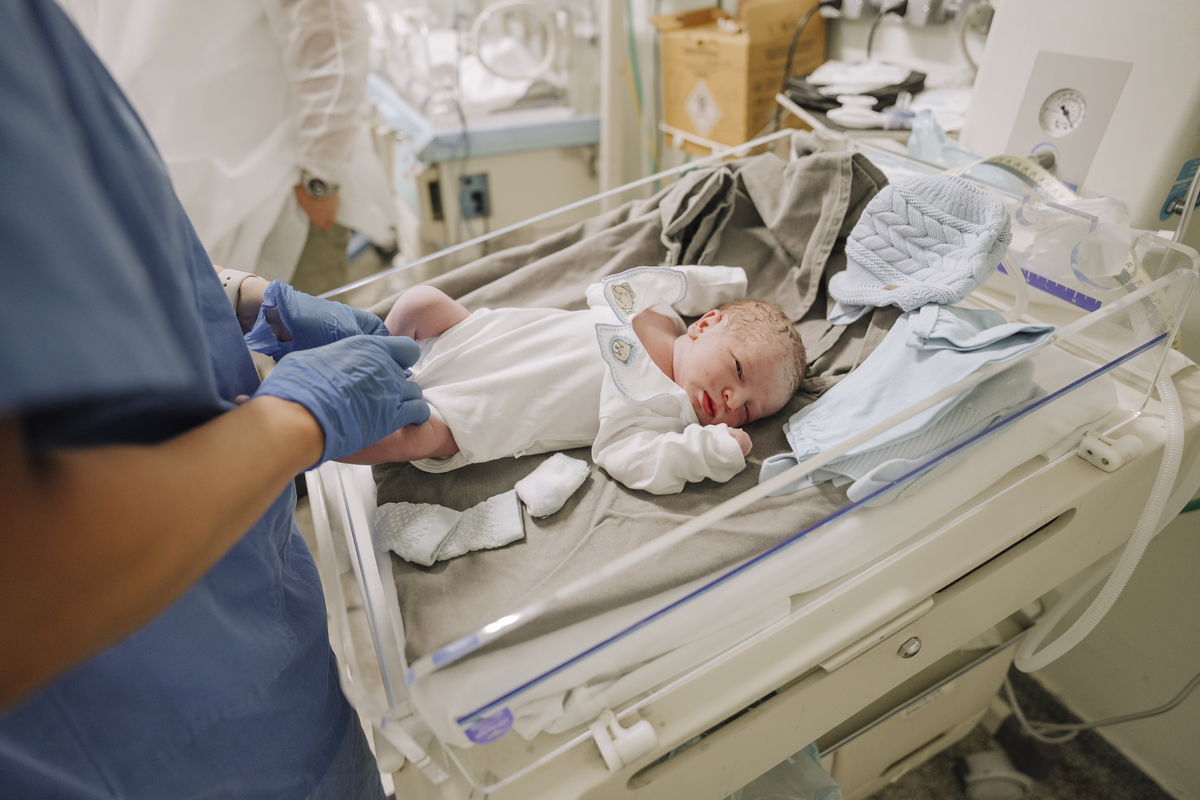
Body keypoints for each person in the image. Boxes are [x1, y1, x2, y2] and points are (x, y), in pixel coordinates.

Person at [0, 1, 426, 797]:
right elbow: (24, 579)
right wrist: (296, 419)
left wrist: (232, 296)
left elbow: (81, 248)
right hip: (149, 728)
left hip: (247, 654)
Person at [338, 266, 807, 494]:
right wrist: (725, 283)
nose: (733, 401)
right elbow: (652, 280)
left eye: (748, 411)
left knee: (415, 436)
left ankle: (326, 437)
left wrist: (714, 449)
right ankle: (376, 368)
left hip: (484, 409)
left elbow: (629, 459)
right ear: (704, 325)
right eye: (738, 371)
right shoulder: (658, 314)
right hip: (481, 338)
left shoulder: (668, 413)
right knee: (420, 302)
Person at [59, 0, 397, 295]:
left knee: (311, 341)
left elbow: (332, 36)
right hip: (173, 202)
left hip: (282, 194)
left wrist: (319, 181)